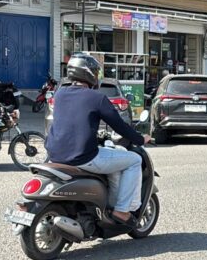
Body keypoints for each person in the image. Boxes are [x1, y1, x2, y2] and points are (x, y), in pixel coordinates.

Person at [45, 53, 151, 226]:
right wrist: (140, 139)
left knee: (114, 162)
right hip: (83, 157)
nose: (97, 76)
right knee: (134, 160)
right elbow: (119, 126)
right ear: (88, 74)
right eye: (96, 72)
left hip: (54, 155)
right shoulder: (97, 98)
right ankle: (122, 210)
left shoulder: (60, 94)